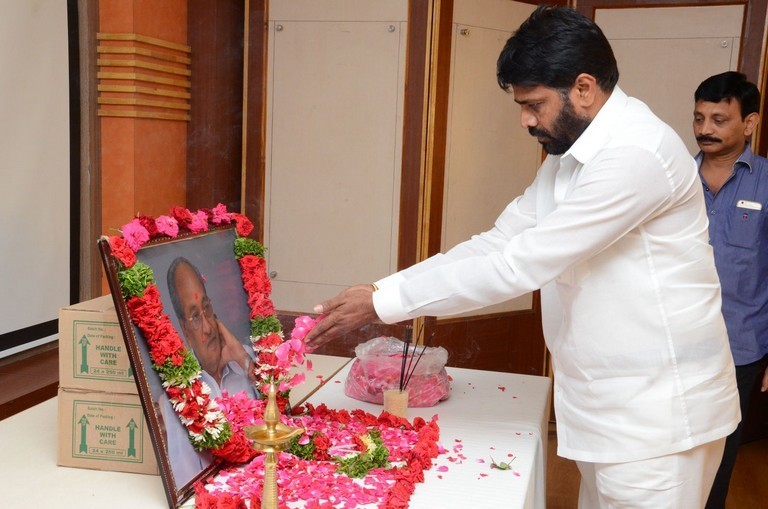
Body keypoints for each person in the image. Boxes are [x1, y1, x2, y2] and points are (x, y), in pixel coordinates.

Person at [306, 6, 740, 508]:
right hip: (609, 408)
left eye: (534, 104)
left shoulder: (635, 153)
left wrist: (383, 305)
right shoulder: (571, 155)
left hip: (660, 419)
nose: (525, 120)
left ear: (583, 88)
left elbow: (521, 265)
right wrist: (381, 291)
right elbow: (499, 242)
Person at [692, 71, 768, 509]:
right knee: (671, 447)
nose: (705, 129)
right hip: (675, 340)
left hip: (739, 346)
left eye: (719, 120)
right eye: (699, 117)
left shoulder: (766, 183)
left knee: (719, 454)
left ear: (749, 123)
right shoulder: (675, 181)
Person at [160, 256, 258, 487]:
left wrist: (244, 361)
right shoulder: (178, 398)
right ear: (184, 329)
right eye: (195, 317)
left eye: (207, 308)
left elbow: (281, 419)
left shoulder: (246, 360)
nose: (207, 327)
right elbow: (187, 482)